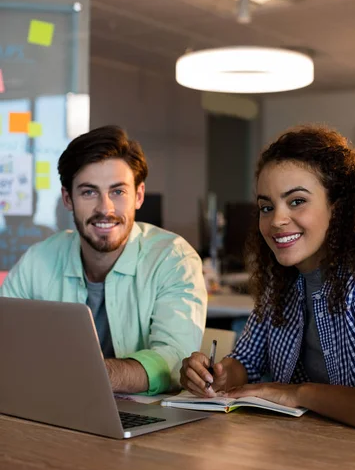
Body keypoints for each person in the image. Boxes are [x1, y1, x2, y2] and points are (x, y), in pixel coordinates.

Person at [181, 124, 355, 436]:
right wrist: (215, 375)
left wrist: (298, 393)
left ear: (337, 208)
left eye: (297, 201)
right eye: (266, 207)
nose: (276, 221)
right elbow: (247, 362)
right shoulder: (280, 286)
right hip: (304, 451)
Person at [1, 125, 207, 395]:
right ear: (67, 198)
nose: (105, 209)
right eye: (89, 192)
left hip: (146, 421)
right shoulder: (38, 260)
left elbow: (174, 359)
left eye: (118, 192)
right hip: (53, 409)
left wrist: (93, 374)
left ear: (139, 195)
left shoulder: (173, 259)